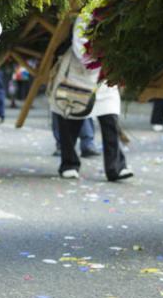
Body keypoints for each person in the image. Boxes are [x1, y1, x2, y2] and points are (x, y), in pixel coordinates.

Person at [52, 16, 132, 181]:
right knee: (71, 118)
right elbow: (81, 50)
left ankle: (116, 167)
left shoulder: (117, 14)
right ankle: (69, 164)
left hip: (103, 78)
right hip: (78, 74)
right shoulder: (85, 17)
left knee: (110, 120)